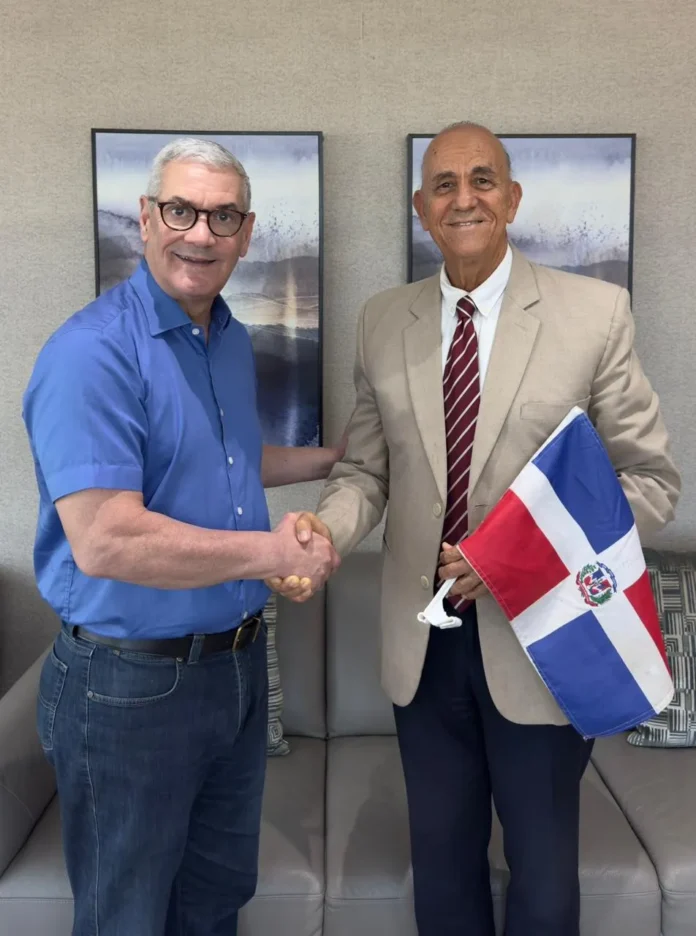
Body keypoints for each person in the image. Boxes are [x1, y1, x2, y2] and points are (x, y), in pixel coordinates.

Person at [271, 122, 680, 936]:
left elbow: (650, 483)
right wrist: (324, 530)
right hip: (422, 649)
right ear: (423, 209)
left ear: (513, 198)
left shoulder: (593, 314)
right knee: (445, 872)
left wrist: (515, 557)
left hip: (544, 640)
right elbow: (368, 474)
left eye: (483, 180)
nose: (465, 198)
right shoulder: (382, 321)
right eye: (446, 185)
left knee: (542, 877)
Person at [23, 137, 340, 936]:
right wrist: (275, 554)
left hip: (233, 673)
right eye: (181, 210)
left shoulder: (224, 337)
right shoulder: (91, 353)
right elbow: (107, 540)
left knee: (213, 903)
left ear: (247, 230)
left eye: (222, 216)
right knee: (127, 917)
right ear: (146, 219)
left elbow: (218, 463)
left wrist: (336, 459)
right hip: (127, 687)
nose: (200, 233)